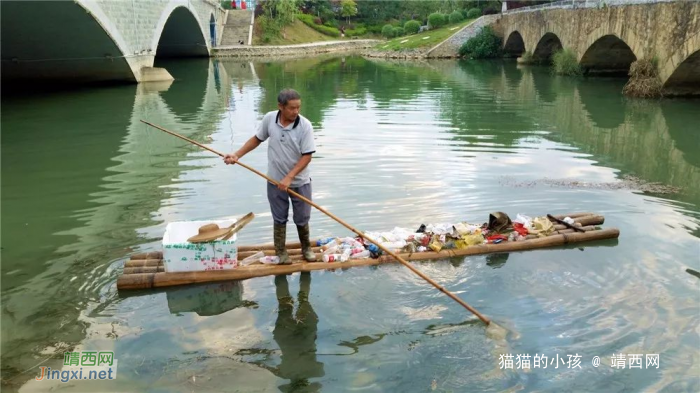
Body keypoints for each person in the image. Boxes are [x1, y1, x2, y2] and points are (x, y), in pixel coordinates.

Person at [224, 89, 317, 264]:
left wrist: (289, 178)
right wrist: (237, 155)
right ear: (280, 107)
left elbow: (307, 156)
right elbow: (257, 139)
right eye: (291, 108)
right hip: (275, 180)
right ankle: (281, 252)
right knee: (279, 217)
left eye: (298, 107)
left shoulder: (305, 126)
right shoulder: (269, 119)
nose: (296, 112)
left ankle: (306, 248)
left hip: (299, 181)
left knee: (302, 217)